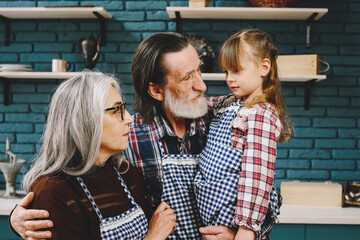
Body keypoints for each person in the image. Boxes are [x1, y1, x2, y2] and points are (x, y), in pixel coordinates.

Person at [10, 33, 236, 240]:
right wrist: (20, 216)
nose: (202, 85)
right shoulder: (126, 136)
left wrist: (240, 233)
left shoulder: (222, 123)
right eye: (187, 78)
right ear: (156, 90)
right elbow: (71, 178)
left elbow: (258, 187)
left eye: (199, 70)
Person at [17, 71, 176, 240]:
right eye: (116, 110)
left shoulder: (128, 174)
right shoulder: (53, 191)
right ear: (84, 121)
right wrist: (153, 237)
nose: (129, 118)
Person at [194, 29, 293, 240]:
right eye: (226, 72)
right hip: (214, 219)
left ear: (264, 67)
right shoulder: (232, 102)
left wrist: (245, 232)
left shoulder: (261, 115)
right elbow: (204, 105)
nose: (230, 79)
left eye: (237, 71)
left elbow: (256, 176)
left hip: (237, 226)